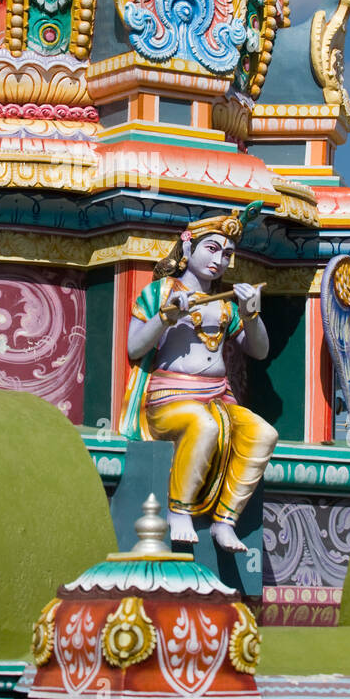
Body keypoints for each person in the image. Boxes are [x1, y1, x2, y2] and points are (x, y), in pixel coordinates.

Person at [119, 206, 277, 553]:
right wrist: (166, 316)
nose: (219, 261)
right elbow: (133, 348)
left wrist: (251, 315)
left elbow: (259, 351)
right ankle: (180, 511)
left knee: (263, 433)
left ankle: (225, 520)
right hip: (170, 397)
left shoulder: (227, 304)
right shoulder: (160, 292)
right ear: (188, 247)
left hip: (218, 396)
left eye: (227, 254)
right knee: (202, 426)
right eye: (212, 249)